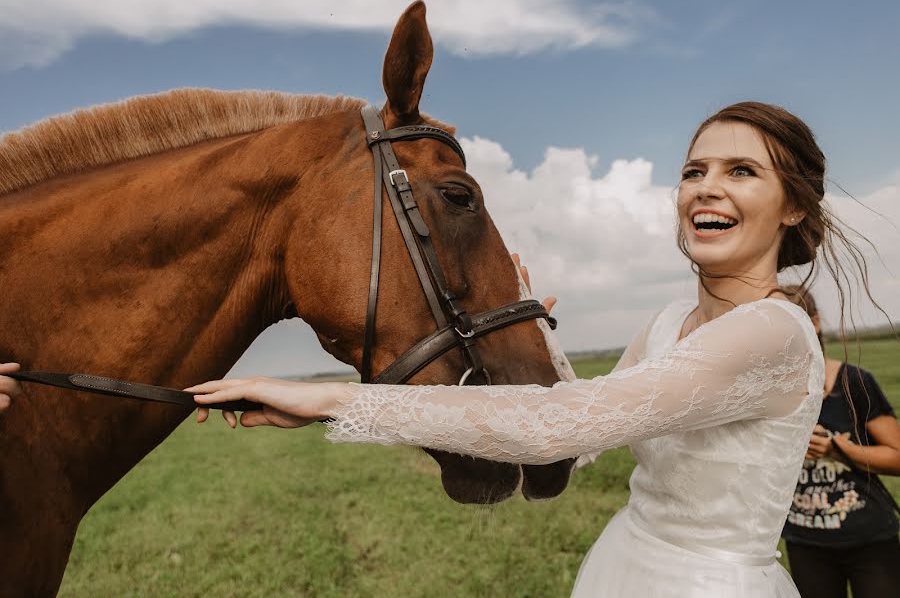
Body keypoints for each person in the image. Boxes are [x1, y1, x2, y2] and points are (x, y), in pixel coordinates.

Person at [189, 102, 873, 597]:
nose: (706, 186)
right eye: (695, 169)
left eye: (742, 171)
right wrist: (535, 327)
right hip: (625, 564)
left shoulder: (773, 332)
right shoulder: (669, 320)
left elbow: (553, 430)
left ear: (793, 207)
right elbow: (584, 428)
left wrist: (335, 400)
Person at [780, 286, 900, 598]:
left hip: (869, 538)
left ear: (815, 323)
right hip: (805, 542)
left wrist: (837, 449)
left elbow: (897, 457)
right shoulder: (768, 395)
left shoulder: (854, 382)